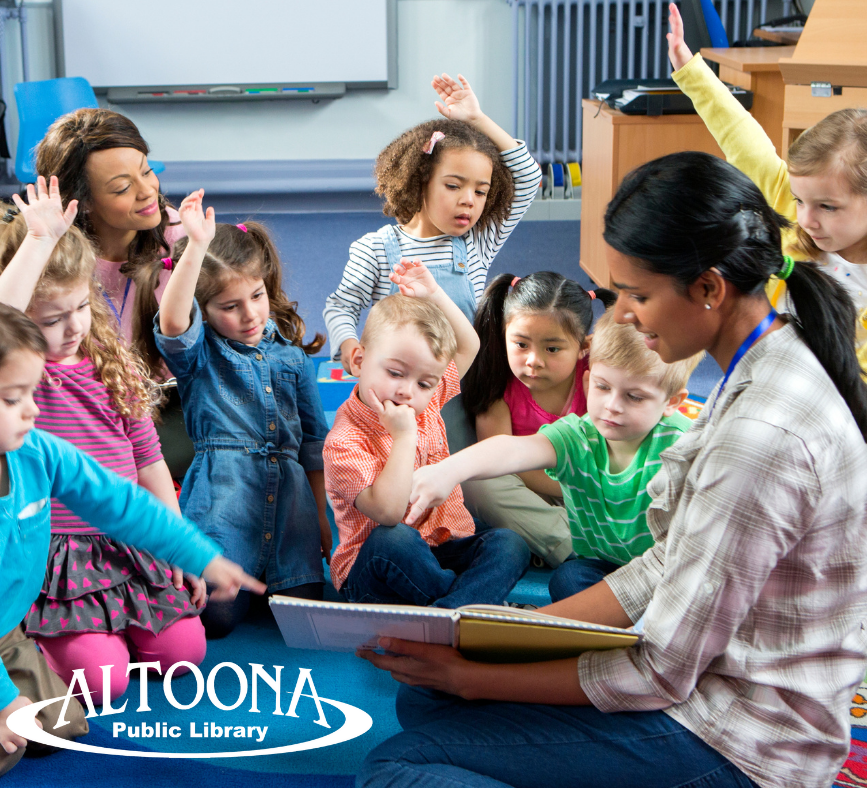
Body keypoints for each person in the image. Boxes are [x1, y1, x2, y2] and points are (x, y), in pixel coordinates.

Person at [356, 152, 867, 788]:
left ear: (708, 288)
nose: (620, 317)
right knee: (427, 698)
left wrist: (472, 673)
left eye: (639, 295)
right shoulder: (769, 353)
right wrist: (508, 633)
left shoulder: (759, 439)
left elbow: (659, 672)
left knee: (399, 761)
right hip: (705, 688)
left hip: (736, 741)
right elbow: (666, 563)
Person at [0, 290, 262, 781]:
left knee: (63, 728)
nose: (31, 411)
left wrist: (200, 555)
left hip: (5, 634)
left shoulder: (34, 450)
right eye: (11, 398)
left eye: (32, 392)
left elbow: (119, 504)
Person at [0, 177, 209, 702]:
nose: (72, 326)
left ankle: (105, 630)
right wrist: (37, 242)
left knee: (183, 653)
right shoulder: (11, 378)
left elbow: (150, 460)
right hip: (50, 558)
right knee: (101, 682)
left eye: (80, 307)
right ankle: (33, 635)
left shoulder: (109, 361)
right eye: (51, 319)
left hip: (125, 544)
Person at [417, 305, 698, 602]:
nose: (613, 405)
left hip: (665, 568)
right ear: (589, 382)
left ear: (672, 402)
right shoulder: (577, 434)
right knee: (568, 581)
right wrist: (448, 470)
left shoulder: (681, 445)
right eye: (603, 388)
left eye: (634, 396)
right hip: (605, 563)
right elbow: (512, 449)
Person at [155, 190, 330, 638]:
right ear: (205, 312)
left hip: (291, 518)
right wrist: (194, 248)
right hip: (223, 507)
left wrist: (323, 523)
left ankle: (272, 582)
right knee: (215, 619)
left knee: (304, 619)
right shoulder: (200, 356)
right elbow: (173, 325)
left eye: (256, 296)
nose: (250, 314)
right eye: (230, 308)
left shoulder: (291, 358)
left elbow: (313, 445)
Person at [666, 2, 867, 374]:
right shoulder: (788, 207)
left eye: (828, 207)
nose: (805, 219)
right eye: (799, 199)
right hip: (769, 374)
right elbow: (741, 137)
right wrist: (690, 70)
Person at [324, 260, 529, 607]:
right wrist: (404, 438)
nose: (407, 391)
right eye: (394, 372)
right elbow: (389, 514)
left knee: (510, 544)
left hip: (438, 549)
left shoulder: (426, 398)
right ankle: (469, 604)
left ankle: (449, 611)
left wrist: (434, 294)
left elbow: (469, 347)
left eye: (423, 382)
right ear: (359, 360)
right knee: (395, 540)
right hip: (374, 570)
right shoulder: (344, 441)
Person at [324, 73, 542, 375]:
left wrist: (477, 119)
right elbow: (341, 306)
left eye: (480, 191)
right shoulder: (374, 249)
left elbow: (530, 177)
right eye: (453, 186)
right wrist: (347, 343)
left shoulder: (478, 241)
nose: (469, 200)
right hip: (401, 390)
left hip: (466, 388)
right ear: (421, 181)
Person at [460, 271, 616, 567]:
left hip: (600, 493)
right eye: (521, 345)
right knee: (478, 484)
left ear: (584, 346)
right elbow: (499, 463)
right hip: (535, 497)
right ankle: (575, 547)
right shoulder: (497, 388)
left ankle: (556, 543)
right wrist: (574, 488)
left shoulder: (596, 375)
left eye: (552, 348)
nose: (533, 360)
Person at [35, 108, 183, 376]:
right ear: (84, 202)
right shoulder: (51, 256)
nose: (148, 191)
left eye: (147, 171)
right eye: (123, 188)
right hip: (87, 406)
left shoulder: (182, 236)